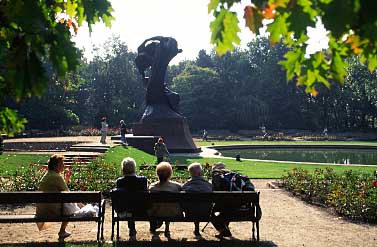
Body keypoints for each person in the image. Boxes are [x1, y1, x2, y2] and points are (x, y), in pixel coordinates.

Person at [210, 162, 255, 239]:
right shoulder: (238, 177)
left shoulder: (218, 179)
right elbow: (251, 190)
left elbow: (214, 198)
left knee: (213, 213)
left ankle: (223, 230)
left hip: (228, 210)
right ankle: (224, 229)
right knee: (228, 204)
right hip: (245, 210)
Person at [36, 155, 75, 240]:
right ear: (55, 166)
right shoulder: (56, 177)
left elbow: (61, 189)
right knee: (70, 206)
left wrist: (66, 179)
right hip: (52, 211)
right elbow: (68, 193)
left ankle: (62, 231)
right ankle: (62, 231)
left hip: (42, 210)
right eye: (61, 164)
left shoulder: (49, 174)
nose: (64, 166)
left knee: (69, 203)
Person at [115, 157, 148, 241]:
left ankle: (132, 229)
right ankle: (153, 227)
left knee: (129, 205)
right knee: (134, 204)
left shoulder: (120, 181)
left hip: (125, 211)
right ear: (134, 168)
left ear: (123, 169)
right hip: (142, 211)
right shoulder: (143, 180)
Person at [149, 162, 182, 240]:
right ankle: (167, 228)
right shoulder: (176, 186)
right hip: (173, 212)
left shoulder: (152, 187)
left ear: (157, 174)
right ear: (170, 174)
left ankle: (155, 225)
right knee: (168, 206)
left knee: (157, 206)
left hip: (157, 212)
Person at [182, 163, 212, 238]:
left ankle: (196, 229)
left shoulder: (186, 186)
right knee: (200, 205)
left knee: (194, 205)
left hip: (190, 213)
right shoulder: (208, 185)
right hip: (206, 213)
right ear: (199, 173)